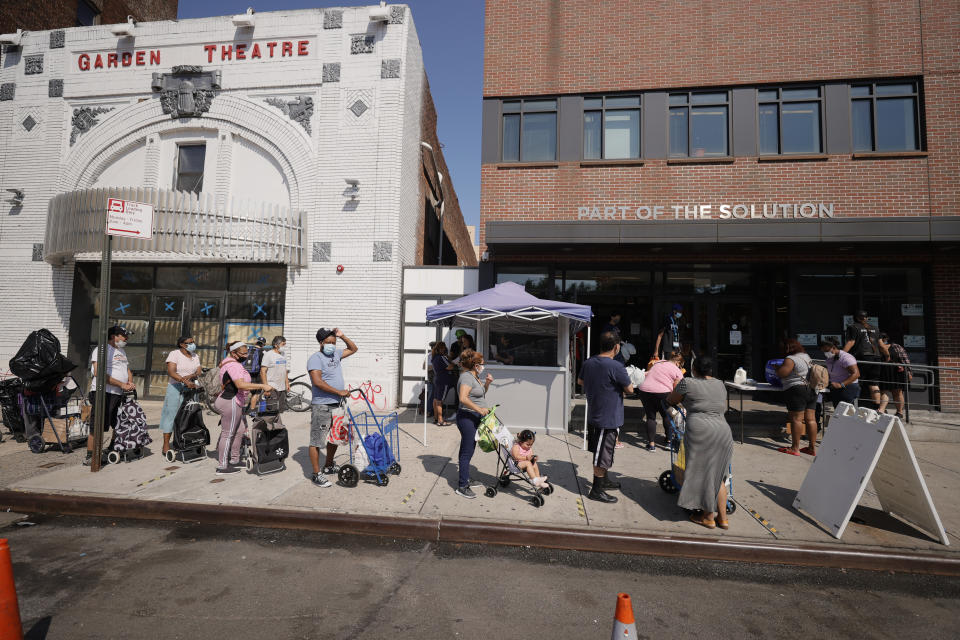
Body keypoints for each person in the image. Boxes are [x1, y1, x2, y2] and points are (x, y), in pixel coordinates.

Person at [666, 357, 733, 530]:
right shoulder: (720, 384)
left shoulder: (686, 382)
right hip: (723, 430)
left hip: (700, 430)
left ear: (694, 369)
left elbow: (672, 399)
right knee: (719, 476)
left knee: (704, 473)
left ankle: (708, 517)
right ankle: (723, 519)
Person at [578, 331, 634, 504]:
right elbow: (630, 389)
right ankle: (596, 489)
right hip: (608, 418)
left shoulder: (589, 363)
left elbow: (580, 382)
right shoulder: (616, 366)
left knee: (603, 451)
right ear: (616, 347)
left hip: (596, 413)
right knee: (602, 455)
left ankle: (605, 480)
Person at [307, 327, 358, 487]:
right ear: (321, 343)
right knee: (317, 440)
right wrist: (339, 391)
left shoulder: (336, 354)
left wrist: (342, 336)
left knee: (334, 437)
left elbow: (353, 349)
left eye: (333, 342)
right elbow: (318, 382)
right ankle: (316, 474)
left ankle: (328, 465)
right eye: (328, 342)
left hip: (337, 405)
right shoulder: (315, 358)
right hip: (322, 405)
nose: (331, 345)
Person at [214, 342, 274, 475]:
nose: (246, 356)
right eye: (243, 353)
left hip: (233, 401)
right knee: (228, 433)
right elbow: (240, 384)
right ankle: (222, 466)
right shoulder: (233, 365)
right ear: (234, 353)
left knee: (240, 430)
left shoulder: (230, 363)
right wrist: (262, 386)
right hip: (231, 401)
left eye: (247, 352)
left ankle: (235, 460)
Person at [84, 325, 135, 466]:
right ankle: (91, 455)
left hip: (118, 393)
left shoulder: (121, 351)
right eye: (124, 336)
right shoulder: (102, 349)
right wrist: (121, 384)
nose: (127, 338)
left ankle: (112, 448)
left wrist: (129, 382)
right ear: (114, 336)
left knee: (119, 423)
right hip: (103, 392)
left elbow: (127, 369)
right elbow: (98, 373)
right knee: (98, 425)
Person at [454, 349, 493, 499]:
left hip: (475, 416)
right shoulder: (465, 377)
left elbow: (480, 393)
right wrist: (479, 409)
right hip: (467, 418)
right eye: (481, 364)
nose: (483, 366)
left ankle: (465, 476)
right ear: (475, 365)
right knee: (466, 451)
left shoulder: (474, 376)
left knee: (469, 450)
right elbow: (463, 398)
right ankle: (462, 486)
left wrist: (487, 384)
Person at [158, 335, 201, 456]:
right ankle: (166, 444)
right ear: (182, 344)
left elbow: (198, 371)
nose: (193, 344)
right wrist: (183, 380)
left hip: (191, 388)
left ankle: (186, 441)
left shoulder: (195, 356)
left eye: (193, 342)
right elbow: (171, 371)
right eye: (190, 342)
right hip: (176, 388)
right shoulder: (174, 354)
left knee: (190, 415)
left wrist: (191, 377)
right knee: (171, 416)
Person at [776, 339, 818, 457]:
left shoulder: (791, 359)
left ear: (787, 348)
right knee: (811, 419)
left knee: (796, 419)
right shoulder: (806, 356)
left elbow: (782, 373)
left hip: (797, 390)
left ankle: (795, 448)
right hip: (812, 389)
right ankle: (811, 448)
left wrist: (776, 368)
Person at [636, 351, 685, 451]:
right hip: (662, 392)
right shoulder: (677, 370)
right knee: (666, 416)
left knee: (650, 417)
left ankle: (651, 445)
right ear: (678, 363)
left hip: (645, 390)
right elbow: (678, 388)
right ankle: (668, 442)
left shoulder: (658, 363)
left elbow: (647, 374)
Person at [843, 310, 882, 408]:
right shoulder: (875, 328)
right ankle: (877, 408)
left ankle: (854, 406)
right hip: (876, 358)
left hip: (862, 358)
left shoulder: (853, 327)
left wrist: (841, 355)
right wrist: (888, 356)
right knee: (874, 382)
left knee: (856, 380)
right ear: (867, 318)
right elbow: (881, 345)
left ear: (856, 318)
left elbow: (851, 342)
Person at [877, 333, 912, 419]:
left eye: (881, 338)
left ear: (885, 338)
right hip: (884, 372)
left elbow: (905, 359)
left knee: (897, 392)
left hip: (896, 372)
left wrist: (909, 372)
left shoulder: (896, 346)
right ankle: (881, 410)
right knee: (883, 391)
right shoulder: (877, 348)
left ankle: (899, 412)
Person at [820, 337, 860, 411]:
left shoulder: (846, 358)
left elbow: (856, 374)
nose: (825, 353)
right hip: (835, 387)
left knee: (845, 412)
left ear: (834, 347)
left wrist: (841, 384)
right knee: (838, 411)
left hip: (847, 387)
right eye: (823, 351)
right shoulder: (830, 358)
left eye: (826, 350)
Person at [431, 341, 456, 426]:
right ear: (441, 348)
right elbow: (449, 367)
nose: (445, 349)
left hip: (437, 379)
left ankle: (435, 418)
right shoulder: (441, 357)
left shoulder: (434, 357)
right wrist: (452, 362)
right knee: (440, 401)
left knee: (435, 399)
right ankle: (441, 420)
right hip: (443, 381)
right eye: (444, 348)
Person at [260, 335, 290, 405]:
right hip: (271, 387)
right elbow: (262, 372)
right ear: (276, 345)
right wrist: (266, 387)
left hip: (282, 388)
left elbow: (284, 370)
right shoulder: (268, 355)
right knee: (271, 410)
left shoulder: (283, 354)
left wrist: (287, 383)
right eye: (283, 344)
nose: (284, 347)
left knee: (279, 409)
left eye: (285, 344)